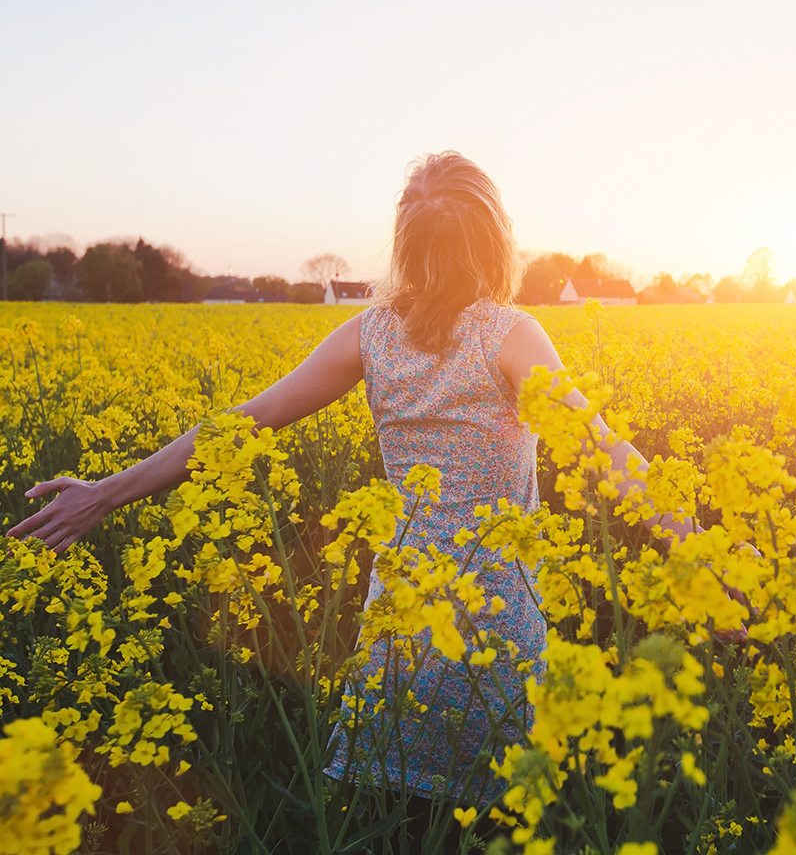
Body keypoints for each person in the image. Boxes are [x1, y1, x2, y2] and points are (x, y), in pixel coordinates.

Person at [10, 150, 699, 801]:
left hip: (401, 609)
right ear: (495, 239)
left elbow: (240, 423)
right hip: (495, 613)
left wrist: (105, 493)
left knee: (388, 808)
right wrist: (700, 555)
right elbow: (604, 450)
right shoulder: (511, 335)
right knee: (498, 812)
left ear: (406, 242)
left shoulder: (370, 335)